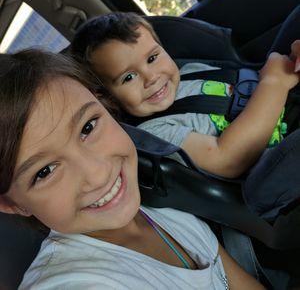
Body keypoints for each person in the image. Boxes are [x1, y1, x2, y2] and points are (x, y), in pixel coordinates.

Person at [0, 49, 264, 289]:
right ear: (12, 204)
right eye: (45, 171)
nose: (98, 173)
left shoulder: (166, 213)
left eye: (88, 127)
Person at [69, 12, 300, 181]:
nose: (151, 78)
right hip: (282, 154)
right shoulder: (155, 134)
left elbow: (248, 85)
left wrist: (287, 64)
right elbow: (227, 159)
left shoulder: (190, 72)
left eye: (152, 58)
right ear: (106, 98)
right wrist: (274, 83)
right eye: (128, 77)